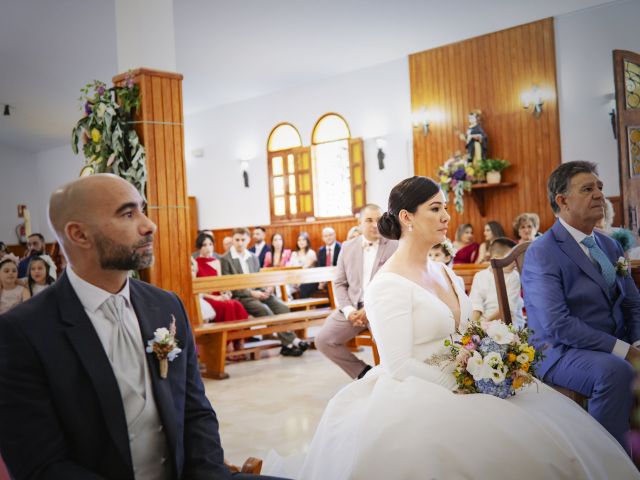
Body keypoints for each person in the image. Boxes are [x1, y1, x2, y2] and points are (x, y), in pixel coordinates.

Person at [264, 175, 638, 479]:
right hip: (420, 390)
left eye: (446, 208)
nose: (447, 216)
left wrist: (497, 358)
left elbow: (470, 329)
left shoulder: (444, 270)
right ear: (407, 218)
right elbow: (397, 364)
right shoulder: (386, 285)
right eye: (436, 209)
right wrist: (464, 387)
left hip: (471, 376)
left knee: (553, 435)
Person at [0, 174, 285, 480]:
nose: (150, 225)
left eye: (142, 209)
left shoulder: (166, 306)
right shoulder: (23, 332)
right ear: (79, 234)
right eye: (128, 213)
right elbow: (42, 466)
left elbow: (195, 410)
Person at [522, 161, 640, 453]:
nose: (599, 194)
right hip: (559, 351)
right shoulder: (542, 251)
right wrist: (624, 350)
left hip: (611, 344)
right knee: (616, 372)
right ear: (562, 201)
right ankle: (607, 462)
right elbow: (557, 324)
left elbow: (632, 302)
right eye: (587, 189)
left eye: (599, 187)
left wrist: (636, 341)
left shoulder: (609, 245)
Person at [314, 204, 397, 379]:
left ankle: (390, 379)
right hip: (352, 306)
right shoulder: (347, 247)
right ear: (359, 223)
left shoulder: (394, 246)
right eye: (369, 220)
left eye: (379, 220)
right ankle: (363, 373)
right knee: (323, 340)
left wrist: (371, 308)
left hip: (381, 308)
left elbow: (395, 285)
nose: (375, 224)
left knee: (388, 343)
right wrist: (349, 310)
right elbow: (339, 283)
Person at [220, 228, 308, 357]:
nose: (240, 243)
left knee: (282, 307)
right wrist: (251, 294)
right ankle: (291, 342)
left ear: (249, 240)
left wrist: (265, 290)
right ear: (232, 240)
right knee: (265, 310)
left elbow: (258, 281)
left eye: (243, 240)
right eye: (237, 240)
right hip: (241, 297)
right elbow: (229, 285)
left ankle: (287, 345)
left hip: (257, 293)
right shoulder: (226, 259)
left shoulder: (253, 257)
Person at [469, 237, 525, 329]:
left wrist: (485, 323)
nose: (515, 262)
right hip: (485, 322)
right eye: (511, 258)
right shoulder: (480, 276)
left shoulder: (514, 276)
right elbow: (476, 304)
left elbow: (509, 308)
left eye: (515, 258)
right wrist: (474, 326)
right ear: (496, 258)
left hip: (510, 323)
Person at [194, 232, 249, 324]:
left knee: (236, 304)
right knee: (228, 306)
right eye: (204, 245)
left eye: (211, 244)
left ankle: (242, 336)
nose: (208, 247)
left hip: (218, 295)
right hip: (206, 297)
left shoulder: (216, 261)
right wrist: (215, 298)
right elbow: (197, 290)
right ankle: (228, 337)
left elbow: (220, 282)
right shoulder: (195, 263)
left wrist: (226, 292)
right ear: (199, 247)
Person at [288, 232, 317, 298]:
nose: (301, 242)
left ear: (307, 241)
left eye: (303, 240)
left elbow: (304, 269)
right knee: (282, 285)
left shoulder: (311, 253)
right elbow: (289, 268)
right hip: (294, 279)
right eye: (299, 240)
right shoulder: (294, 254)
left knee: (301, 287)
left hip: (307, 279)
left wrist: (298, 281)